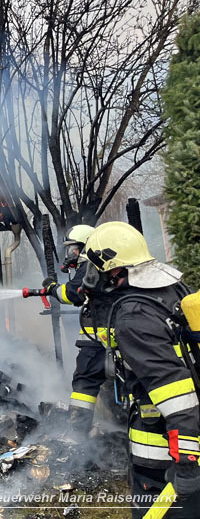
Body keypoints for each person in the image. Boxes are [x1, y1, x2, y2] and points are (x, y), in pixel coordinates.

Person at [82, 221, 200, 518]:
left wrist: (186, 462)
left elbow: (176, 393)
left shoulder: (134, 316)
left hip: (161, 458)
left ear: (114, 271)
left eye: (95, 269)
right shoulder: (171, 290)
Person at [41, 224, 108, 431]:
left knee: (84, 381)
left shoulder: (90, 265)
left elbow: (72, 294)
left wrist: (52, 288)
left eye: (75, 248)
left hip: (98, 337)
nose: (73, 253)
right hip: (108, 334)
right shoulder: (106, 264)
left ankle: (77, 431)